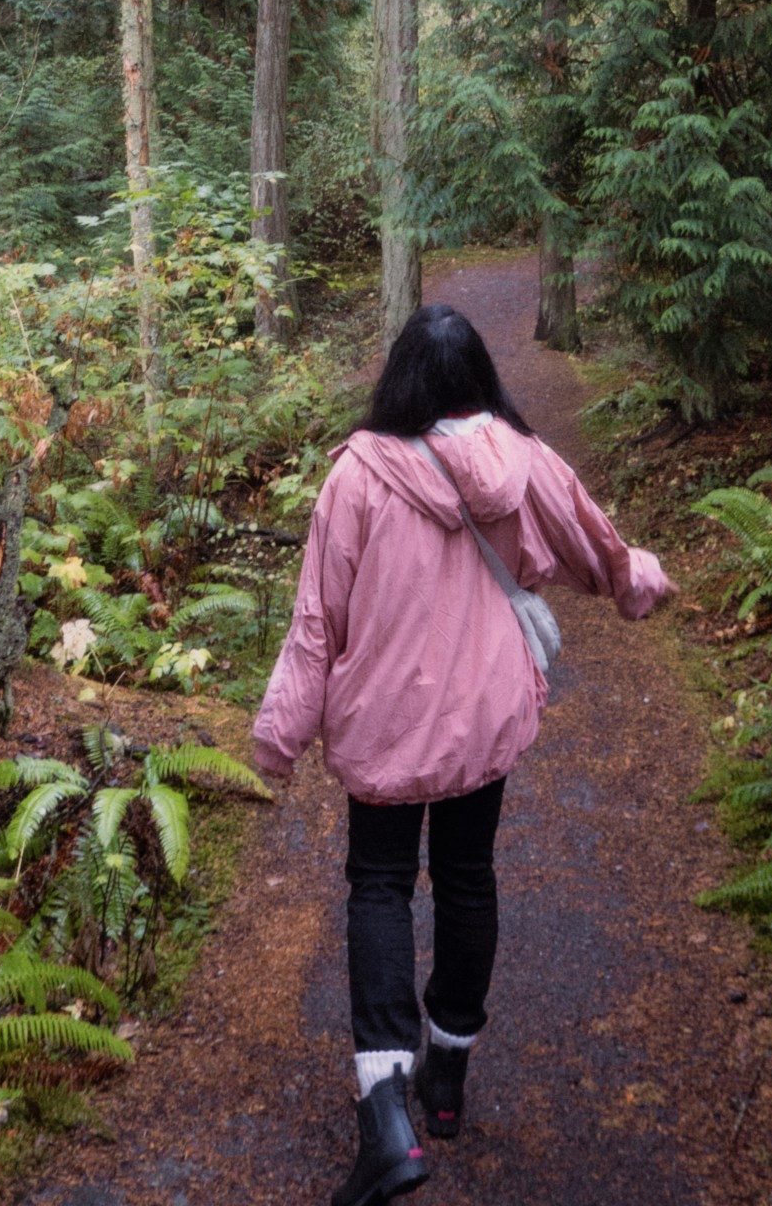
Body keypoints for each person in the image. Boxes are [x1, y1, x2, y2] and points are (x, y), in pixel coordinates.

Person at [251, 303, 673, 1206]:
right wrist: (642, 583)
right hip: (484, 713)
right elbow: (597, 545)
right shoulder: (521, 458)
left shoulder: (356, 476)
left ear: (399, 380)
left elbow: (316, 623)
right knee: (470, 876)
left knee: (379, 886)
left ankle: (388, 1119)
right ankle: (448, 1079)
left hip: (385, 723)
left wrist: (279, 735)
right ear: (480, 378)